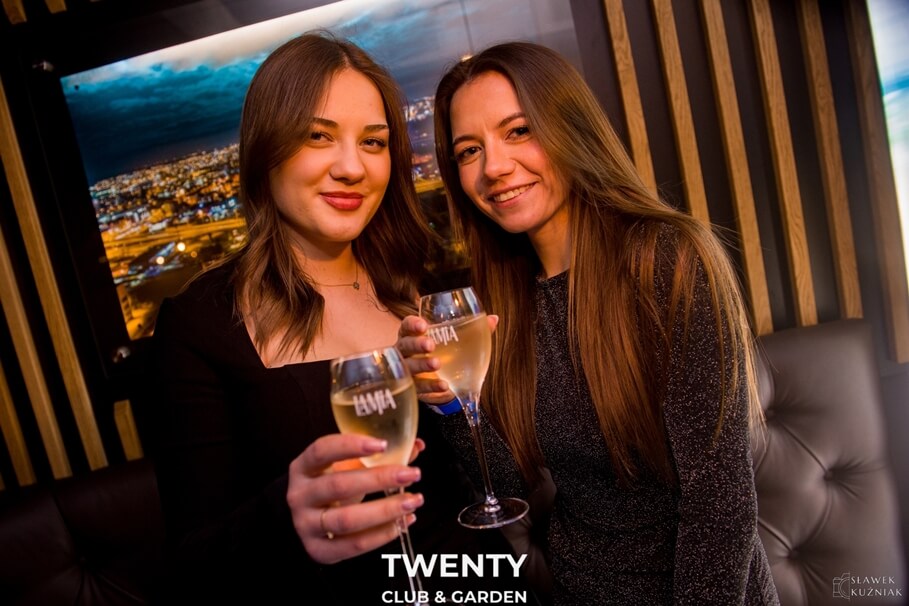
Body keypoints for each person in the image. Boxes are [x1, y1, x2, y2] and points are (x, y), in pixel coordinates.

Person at [147, 32, 525, 605]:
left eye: (373, 142)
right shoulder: (201, 323)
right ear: (266, 149)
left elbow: (481, 483)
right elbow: (192, 568)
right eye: (318, 136)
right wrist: (286, 516)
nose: (352, 168)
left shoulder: (415, 288)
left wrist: (452, 404)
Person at [397, 41, 780, 605]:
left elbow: (719, 503)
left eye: (519, 131)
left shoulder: (668, 259)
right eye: (469, 150)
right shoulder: (505, 299)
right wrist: (449, 400)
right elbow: (508, 485)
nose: (494, 167)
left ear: (569, 129)